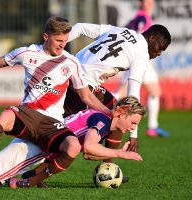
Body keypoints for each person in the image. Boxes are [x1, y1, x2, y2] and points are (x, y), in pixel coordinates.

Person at [0, 16, 111, 188]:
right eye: (58, 40)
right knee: (7, 114)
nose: (62, 44)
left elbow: (86, 96)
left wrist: (109, 112)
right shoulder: (26, 53)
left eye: (65, 40)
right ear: (46, 37)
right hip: (27, 114)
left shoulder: (71, 62)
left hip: (51, 124)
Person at [0, 96, 145, 188]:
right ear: (122, 112)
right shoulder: (102, 121)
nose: (133, 128)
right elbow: (88, 147)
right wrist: (123, 154)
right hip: (40, 147)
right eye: (133, 122)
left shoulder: (100, 120)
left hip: (42, 135)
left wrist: (114, 153)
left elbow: (87, 154)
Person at [64, 21, 171, 153]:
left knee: (117, 110)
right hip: (82, 86)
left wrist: (59, 45)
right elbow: (133, 96)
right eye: (160, 47)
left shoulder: (119, 31)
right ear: (152, 38)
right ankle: (33, 168)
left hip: (68, 73)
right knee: (65, 139)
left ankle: (109, 167)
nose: (159, 53)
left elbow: (80, 27)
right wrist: (133, 135)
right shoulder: (141, 53)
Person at [113, 0, 169, 137]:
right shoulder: (142, 18)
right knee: (123, 93)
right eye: (145, 0)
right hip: (139, 58)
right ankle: (95, 108)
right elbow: (138, 36)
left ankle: (153, 126)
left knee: (153, 91)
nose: (148, 3)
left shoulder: (139, 17)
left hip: (137, 58)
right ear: (141, 2)